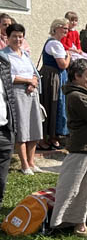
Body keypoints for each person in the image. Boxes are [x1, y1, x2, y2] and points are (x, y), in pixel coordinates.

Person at [49, 59, 87, 237]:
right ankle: (79, 225)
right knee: (81, 189)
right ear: (76, 76)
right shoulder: (76, 96)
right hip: (83, 150)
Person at [3, 23, 43, 174]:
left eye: (20, 36)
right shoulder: (4, 55)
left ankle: (32, 162)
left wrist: (33, 83)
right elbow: (7, 76)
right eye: (14, 36)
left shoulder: (25, 54)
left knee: (34, 126)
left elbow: (34, 73)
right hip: (17, 94)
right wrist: (27, 81)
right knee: (22, 129)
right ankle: (24, 164)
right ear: (8, 37)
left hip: (31, 93)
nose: (18, 39)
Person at [39, 18, 71, 150]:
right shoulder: (55, 44)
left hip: (54, 75)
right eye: (64, 28)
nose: (66, 31)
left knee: (55, 105)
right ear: (57, 28)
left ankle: (53, 136)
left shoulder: (55, 43)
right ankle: (46, 137)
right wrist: (68, 57)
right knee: (52, 104)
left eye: (67, 29)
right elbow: (62, 64)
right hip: (53, 77)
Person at [0, 47, 18, 206]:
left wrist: (13, 128)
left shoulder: (3, 63)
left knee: (1, 180)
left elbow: (9, 98)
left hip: (5, 130)